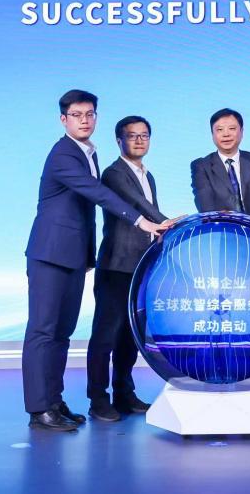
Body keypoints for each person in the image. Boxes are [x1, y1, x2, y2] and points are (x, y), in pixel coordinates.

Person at [22, 90, 171, 432]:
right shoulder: (64, 154)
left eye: (89, 114)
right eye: (77, 115)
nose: (84, 120)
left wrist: (87, 254)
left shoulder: (87, 152)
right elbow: (97, 193)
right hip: (49, 254)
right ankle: (39, 409)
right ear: (63, 119)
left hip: (72, 257)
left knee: (61, 333)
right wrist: (141, 221)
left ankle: (54, 402)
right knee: (43, 332)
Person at [85, 115, 169, 422]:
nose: (139, 140)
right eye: (132, 136)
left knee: (130, 335)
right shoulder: (114, 173)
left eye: (144, 135)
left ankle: (124, 393)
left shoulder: (148, 175)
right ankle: (98, 399)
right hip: (116, 266)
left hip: (140, 266)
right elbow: (138, 206)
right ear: (119, 141)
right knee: (105, 335)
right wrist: (166, 222)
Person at [189, 108, 250, 218]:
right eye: (220, 130)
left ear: (242, 132)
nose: (226, 134)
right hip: (221, 227)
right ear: (212, 134)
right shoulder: (201, 166)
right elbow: (206, 207)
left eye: (232, 128)